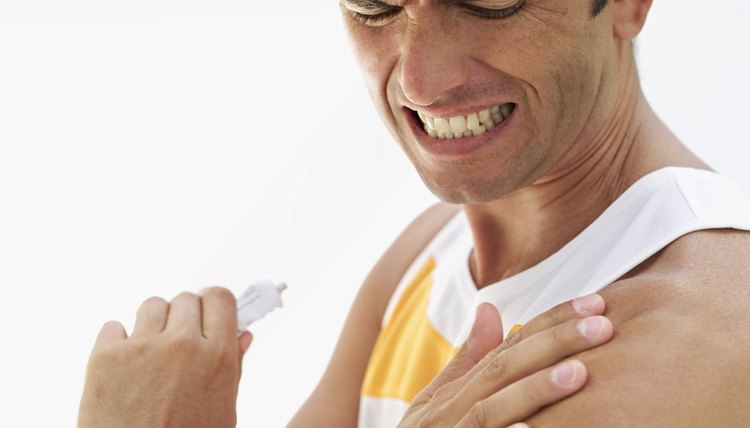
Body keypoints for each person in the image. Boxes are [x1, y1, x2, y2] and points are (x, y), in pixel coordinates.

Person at [78, 0, 750, 426]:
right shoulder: (424, 259)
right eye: (374, 5)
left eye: (489, 2)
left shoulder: (695, 328)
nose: (420, 81)